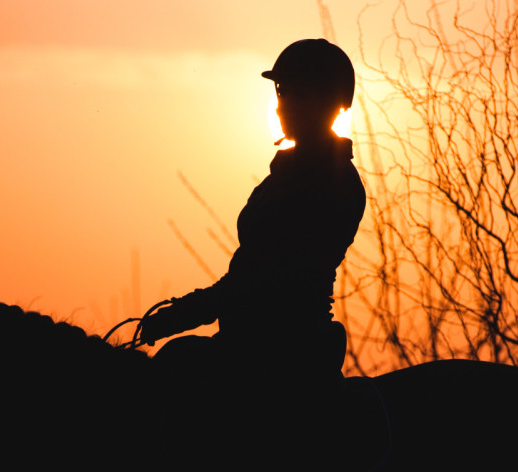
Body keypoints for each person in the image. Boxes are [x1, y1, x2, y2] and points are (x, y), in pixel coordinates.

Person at [140, 38, 366, 393]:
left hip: (288, 348)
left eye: (299, 95)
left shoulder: (334, 184)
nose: (284, 106)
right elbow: (248, 269)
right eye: (282, 93)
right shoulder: (281, 177)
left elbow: (269, 279)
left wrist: (188, 311)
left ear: (331, 104)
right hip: (244, 340)